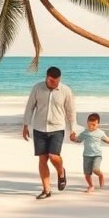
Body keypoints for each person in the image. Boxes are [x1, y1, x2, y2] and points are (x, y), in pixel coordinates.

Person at [22, 66, 76, 200]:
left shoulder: (66, 91)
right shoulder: (37, 88)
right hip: (39, 128)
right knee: (43, 158)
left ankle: (61, 172)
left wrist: (73, 129)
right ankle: (46, 190)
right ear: (46, 77)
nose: (54, 83)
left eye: (57, 81)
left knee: (53, 156)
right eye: (52, 81)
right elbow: (30, 107)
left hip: (57, 128)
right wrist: (25, 125)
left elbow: (71, 111)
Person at [69, 112, 109, 193]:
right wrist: (72, 138)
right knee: (87, 173)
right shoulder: (85, 133)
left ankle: (100, 175)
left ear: (98, 124)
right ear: (87, 123)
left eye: (94, 125)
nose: (91, 127)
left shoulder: (100, 133)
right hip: (86, 155)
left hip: (97, 155)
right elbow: (78, 140)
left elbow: (108, 140)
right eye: (89, 124)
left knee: (95, 169)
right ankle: (91, 185)